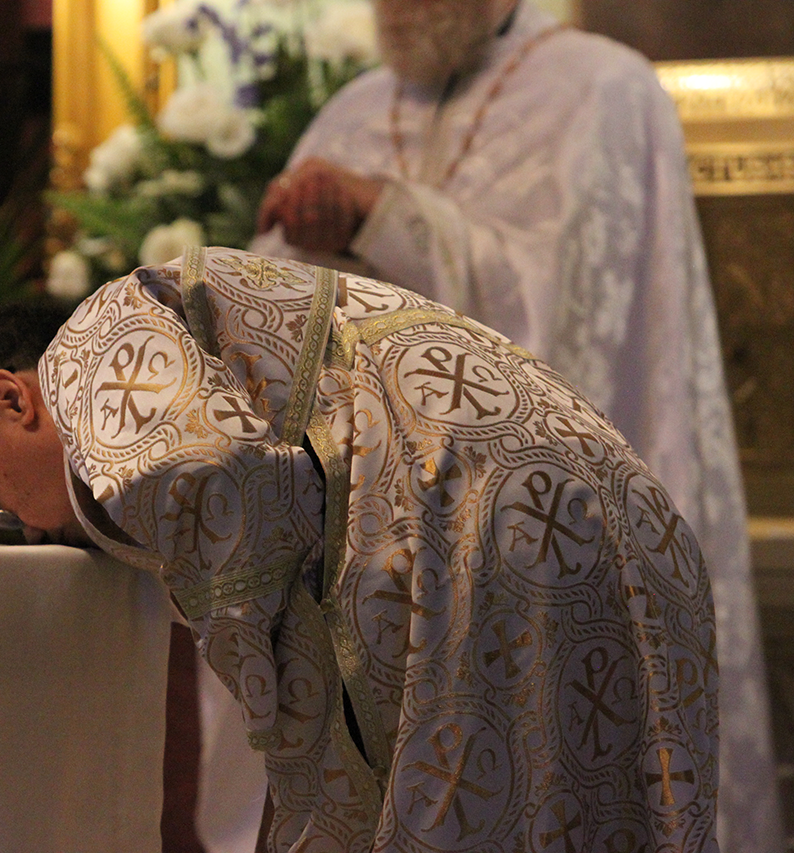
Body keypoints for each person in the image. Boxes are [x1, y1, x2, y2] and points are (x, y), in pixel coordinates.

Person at [0, 246, 718, 853]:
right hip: (614, 508)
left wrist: (280, 732)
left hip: (480, 514)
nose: (29, 530)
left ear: (10, 397)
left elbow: (215, 478)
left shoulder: (92, 347)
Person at [251, 2, 779, 850]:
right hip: (364, 541)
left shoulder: (602, 89)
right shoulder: (350, 109)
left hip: (530, 536)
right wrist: (298, 240)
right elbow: (271, 318)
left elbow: (562, 331)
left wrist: (384, 214)